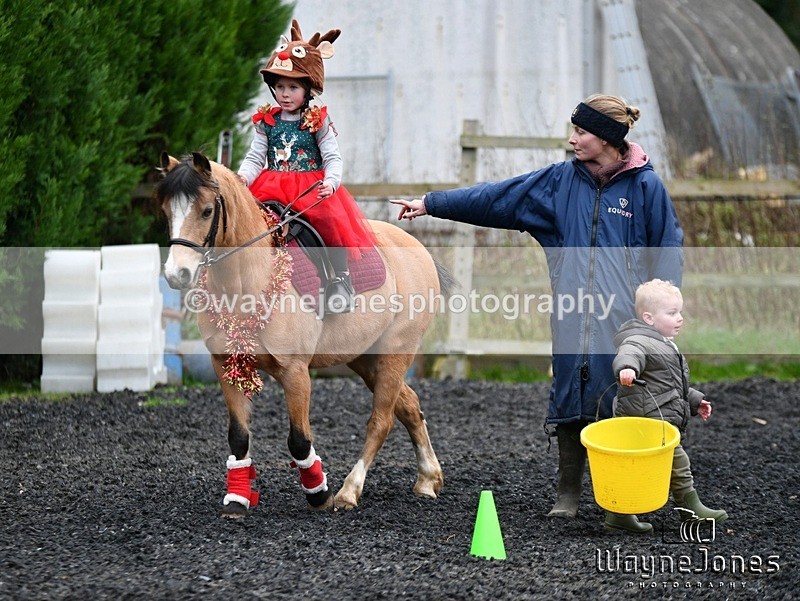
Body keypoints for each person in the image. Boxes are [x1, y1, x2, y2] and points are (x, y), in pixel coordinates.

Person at [391, 94, 684, 518]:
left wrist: (664, 314)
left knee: (619, 398)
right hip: (571, 313)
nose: (572, 139)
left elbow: (668, 250)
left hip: (626, 321)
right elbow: (497, 198)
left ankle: (619, 498)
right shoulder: (559, 183)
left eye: (580, 132)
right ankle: (568, 493)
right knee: (569, 390)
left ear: (605, 138)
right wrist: (431, 203)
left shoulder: (646, 188)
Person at [237, 19, 376, 313]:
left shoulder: (317, 120)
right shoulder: (267, 121)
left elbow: (333, 158)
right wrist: (242, 178)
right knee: (250, 224)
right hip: (270, 185)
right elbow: (254, 157)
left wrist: (332, 182)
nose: (285, 94)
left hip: (310, 187)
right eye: (279, 87)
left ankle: (339, 279)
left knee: (331, 224)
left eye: (292, 87)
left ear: (307, 89)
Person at [608, 279, 728, 533]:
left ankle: (619, 515)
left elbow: (670, 384)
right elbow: (629, 354)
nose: (680, 318)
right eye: (672, 313)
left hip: (656, 417)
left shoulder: (663, 344)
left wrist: (694, 400)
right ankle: (690, 509)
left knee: (638, 467)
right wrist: (627, 369)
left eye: (680, 311)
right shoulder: (638, 340)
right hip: (645, 420)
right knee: (676, 461)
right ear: (649, 317)